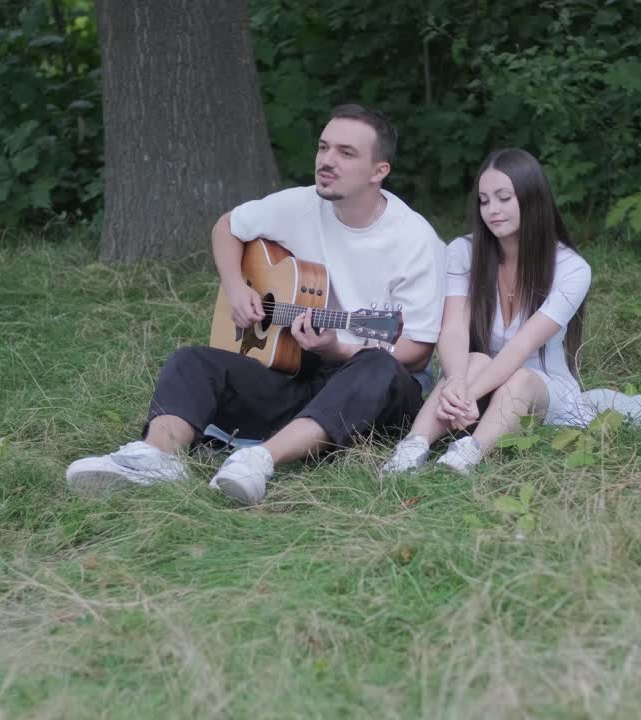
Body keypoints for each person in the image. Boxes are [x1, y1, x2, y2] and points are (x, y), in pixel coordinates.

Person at [67, 104, 446, 504]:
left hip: (377, 389)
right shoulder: (299, 205)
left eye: (346, 153)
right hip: (300, 369)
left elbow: (417, 353)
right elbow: (227, 226)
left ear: (378, 171)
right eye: (323, 148)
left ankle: (259, 460)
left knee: (378, 366)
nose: (327, 161)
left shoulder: (414, 239)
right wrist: (236, 287)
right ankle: (158, 457)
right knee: (192, 360)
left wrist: (340, 348)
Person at [382, 148, 590, 474]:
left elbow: (522, 347)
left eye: (504, 197)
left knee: (520, 377)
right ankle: (413, 447)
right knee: (475, 358)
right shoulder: (464, 252)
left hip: (541, 387)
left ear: (532, 198)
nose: (492, 210)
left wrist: (466, 392)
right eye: (484, 200)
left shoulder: (572, 269)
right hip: (478, 380)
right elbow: (453, 329)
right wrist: (457, 382)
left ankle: (469, 452)